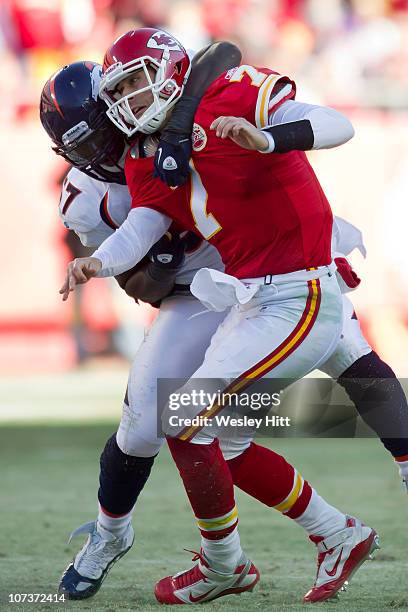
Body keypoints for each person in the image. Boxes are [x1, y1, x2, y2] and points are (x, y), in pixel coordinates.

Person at [57, 29, 386, 604]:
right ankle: (330, 532)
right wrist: (123, 262)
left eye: (131, 96)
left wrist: (242, 134)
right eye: (87, 143)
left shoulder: (190, 109)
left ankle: (232, 559)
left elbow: (221, 56)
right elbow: (141, 261)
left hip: (276, 279)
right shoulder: (105, 183)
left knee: (350, 368)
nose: (105, 147)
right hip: (198, 292)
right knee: (161, 427)